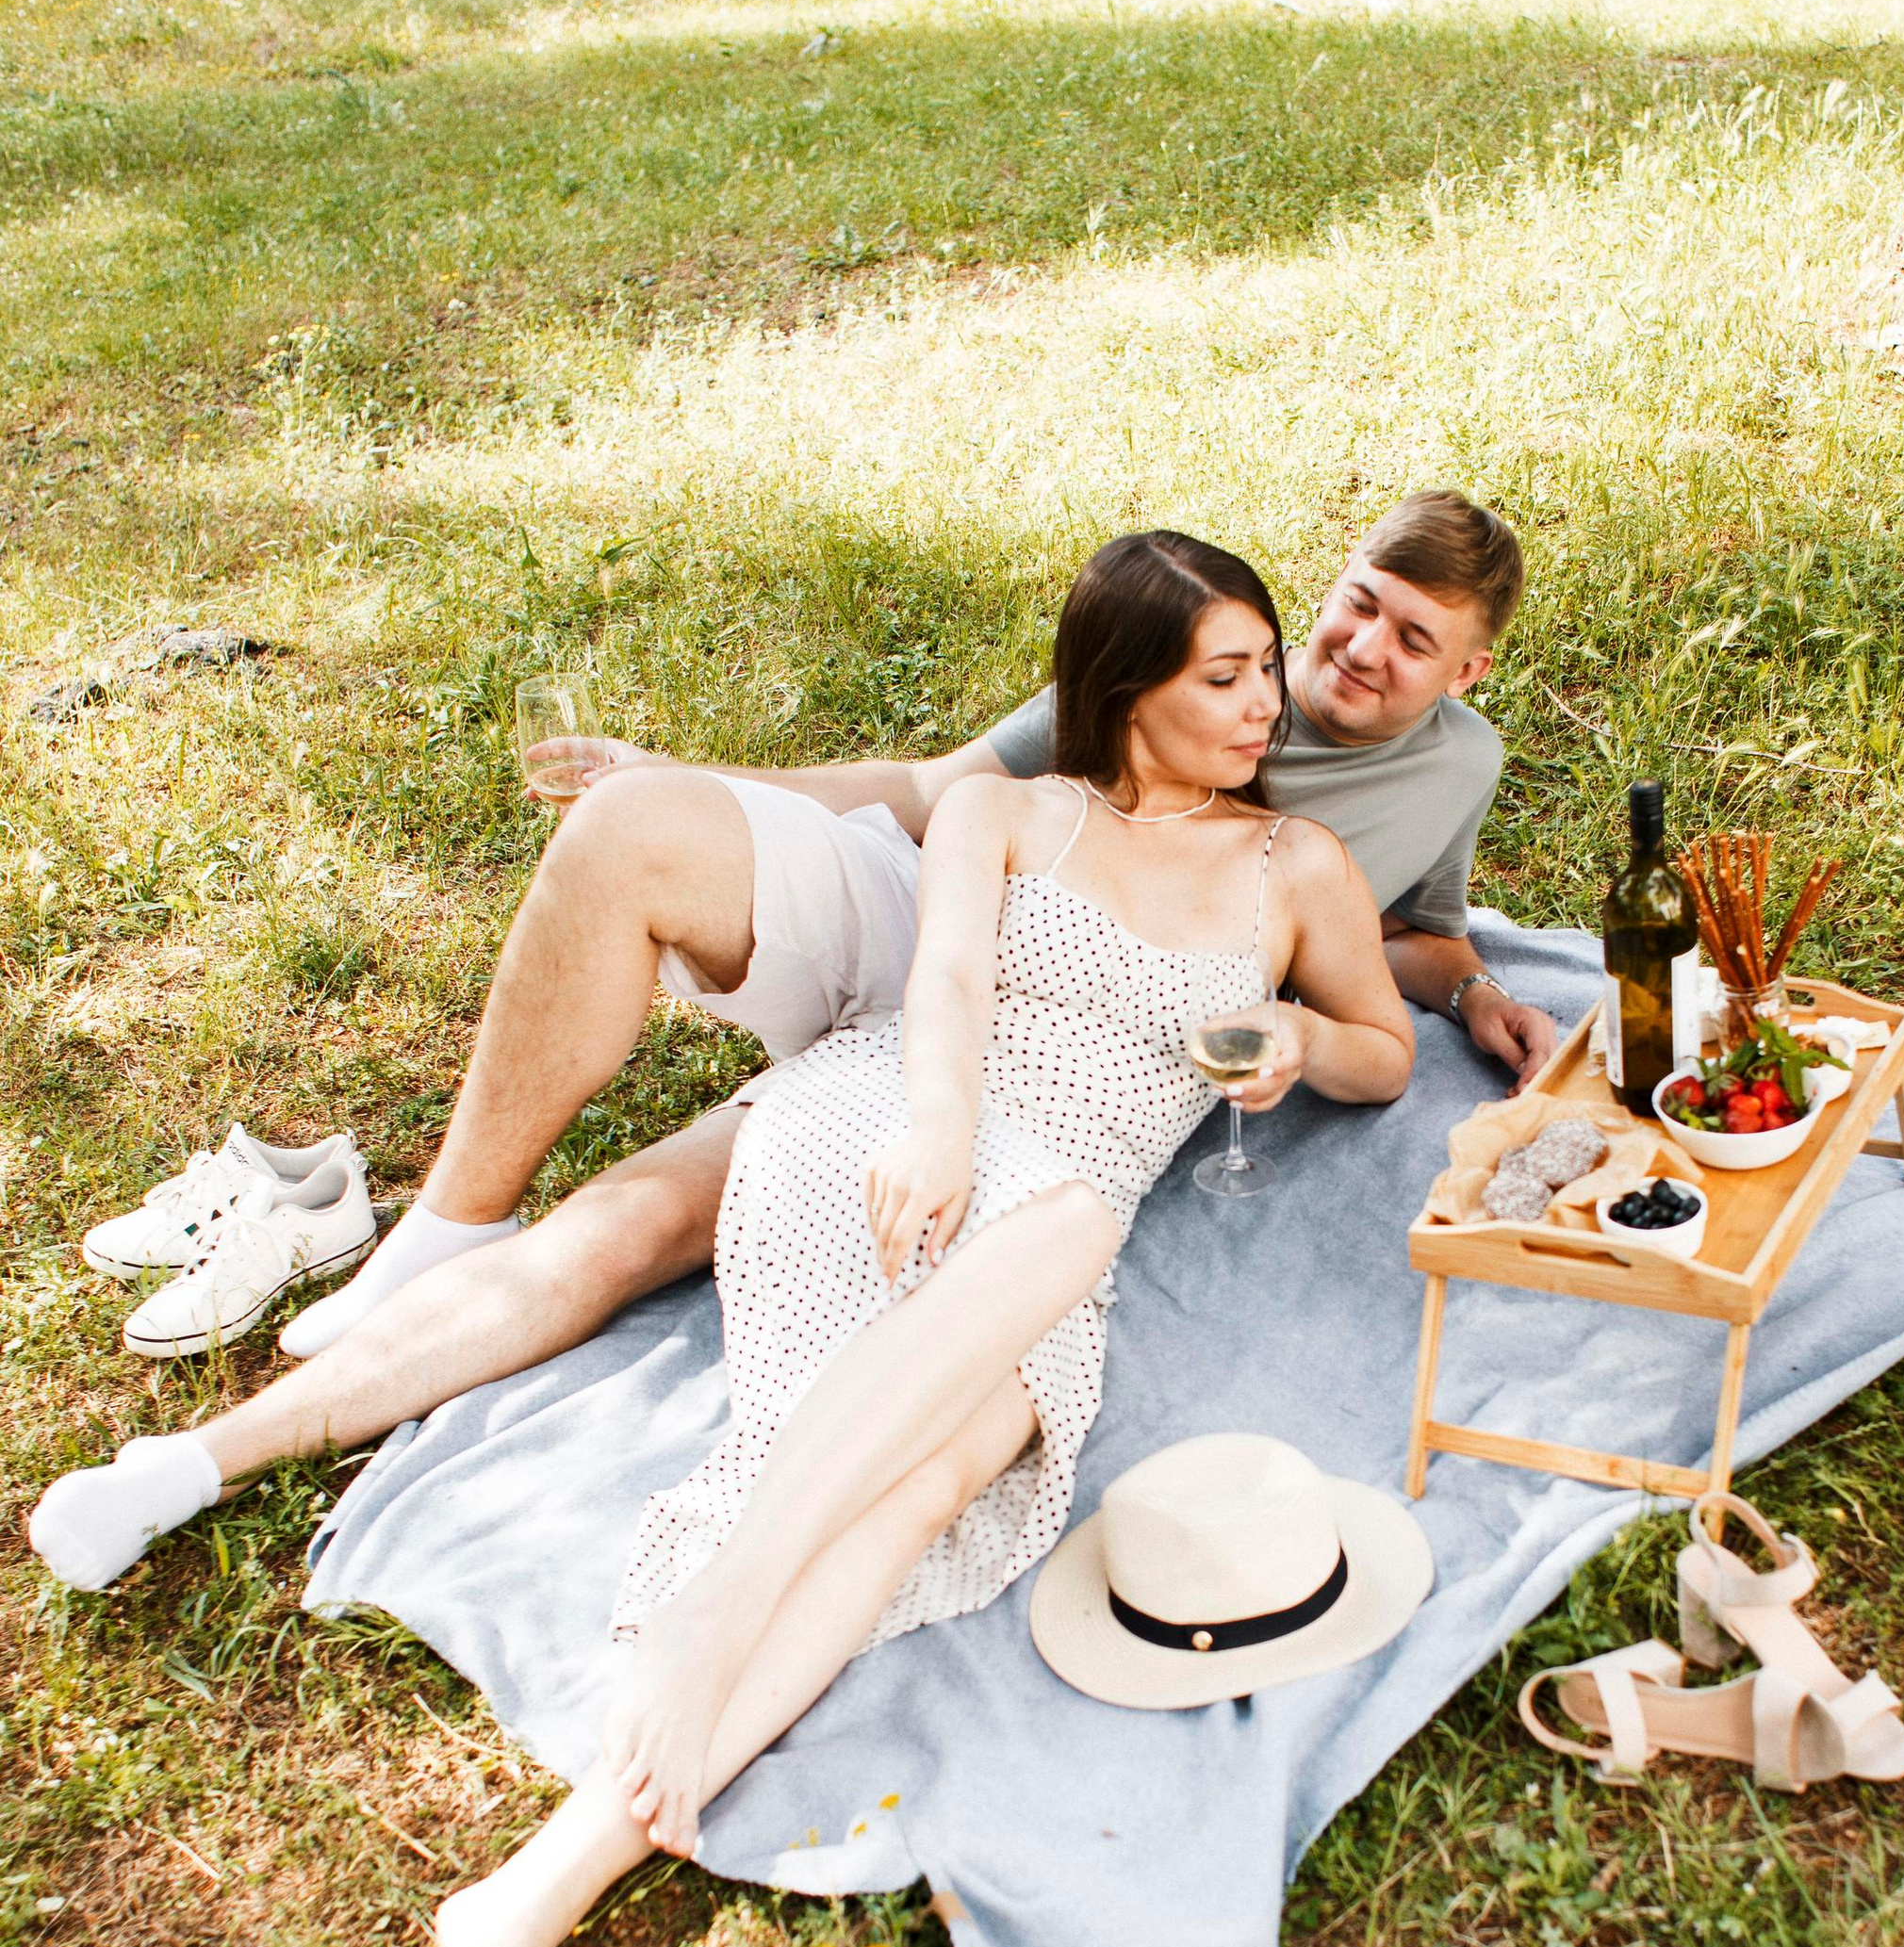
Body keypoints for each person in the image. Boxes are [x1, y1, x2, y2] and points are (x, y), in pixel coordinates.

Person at [28, 494, 1552, 1594]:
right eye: (1351, 604)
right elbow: (933, 798)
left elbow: (1406, 958)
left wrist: (1453, 990)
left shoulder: (1374, 821)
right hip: (944, 986)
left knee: (883, 1411)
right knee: (622, 1222)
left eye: (1413, 641)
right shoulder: (1169, 683)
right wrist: (707, 785)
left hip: (1071, 1137)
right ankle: (210, 1449)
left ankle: (700, 1620)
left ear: (1464, 676)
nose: (1349, 655)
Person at [420, 532, 1414, 1947]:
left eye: (1267, 666)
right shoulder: (1012, 812)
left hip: (1048, 1228)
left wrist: (1299, 1035)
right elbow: (942, 984)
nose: (1268, 702)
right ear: (1128, 688)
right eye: (1227, 676)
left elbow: (1387, 1050)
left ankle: (539, 1886)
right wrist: (939, 1127)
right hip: (896, 1151)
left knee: (942, 1476)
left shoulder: (1296, 869)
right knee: (1041, 1266)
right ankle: (701, 1647)